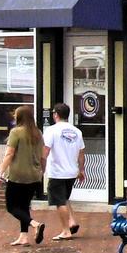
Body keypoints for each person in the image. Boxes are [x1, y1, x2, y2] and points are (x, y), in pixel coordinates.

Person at [0, 104, 45, 247]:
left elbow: (10, 154)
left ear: (19, 117)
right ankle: (23, 237)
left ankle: (35, 224)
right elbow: (43, 156)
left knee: (11, 207)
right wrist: (42, 171)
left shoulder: (16, 132)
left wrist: (0, 173)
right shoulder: (38, 133)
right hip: (34, 175)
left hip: (18, 175)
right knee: (24, 206)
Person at [43, 102, 86, 239]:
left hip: (57, 172)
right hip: (72, 172)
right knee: (65, 198)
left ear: (56, 114)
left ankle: (66, 231)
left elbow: (46, 151)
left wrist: (41, 167)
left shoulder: (51, 131)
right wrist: (82, 170)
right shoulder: (77, 132)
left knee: (59, 202)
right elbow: (81, 153)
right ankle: (72, 222)